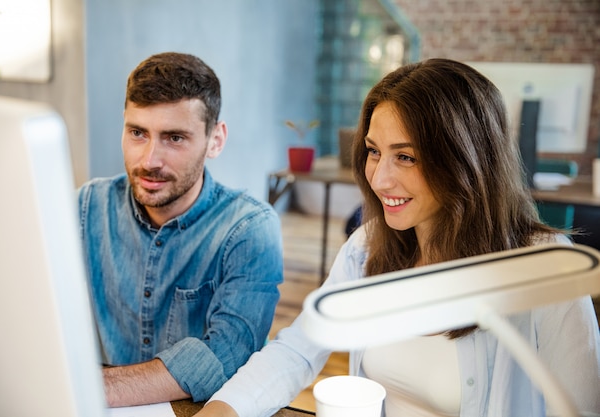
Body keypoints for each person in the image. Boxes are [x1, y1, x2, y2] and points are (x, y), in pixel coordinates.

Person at [193, 58, 600, 417]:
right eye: (373, 151)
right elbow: (298, 349)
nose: (379, 178)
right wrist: (223, 410)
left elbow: (582, 408)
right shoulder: (368, 247)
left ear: (465, 160)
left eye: (405, 156)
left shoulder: (546, 270)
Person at [78, 52, 284, 407]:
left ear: (215, 140)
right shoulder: (86, 207)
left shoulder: (250, 228)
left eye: (174, 138)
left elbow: (227, 352)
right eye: (138, 133)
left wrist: (89, 387)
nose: (149, 160)